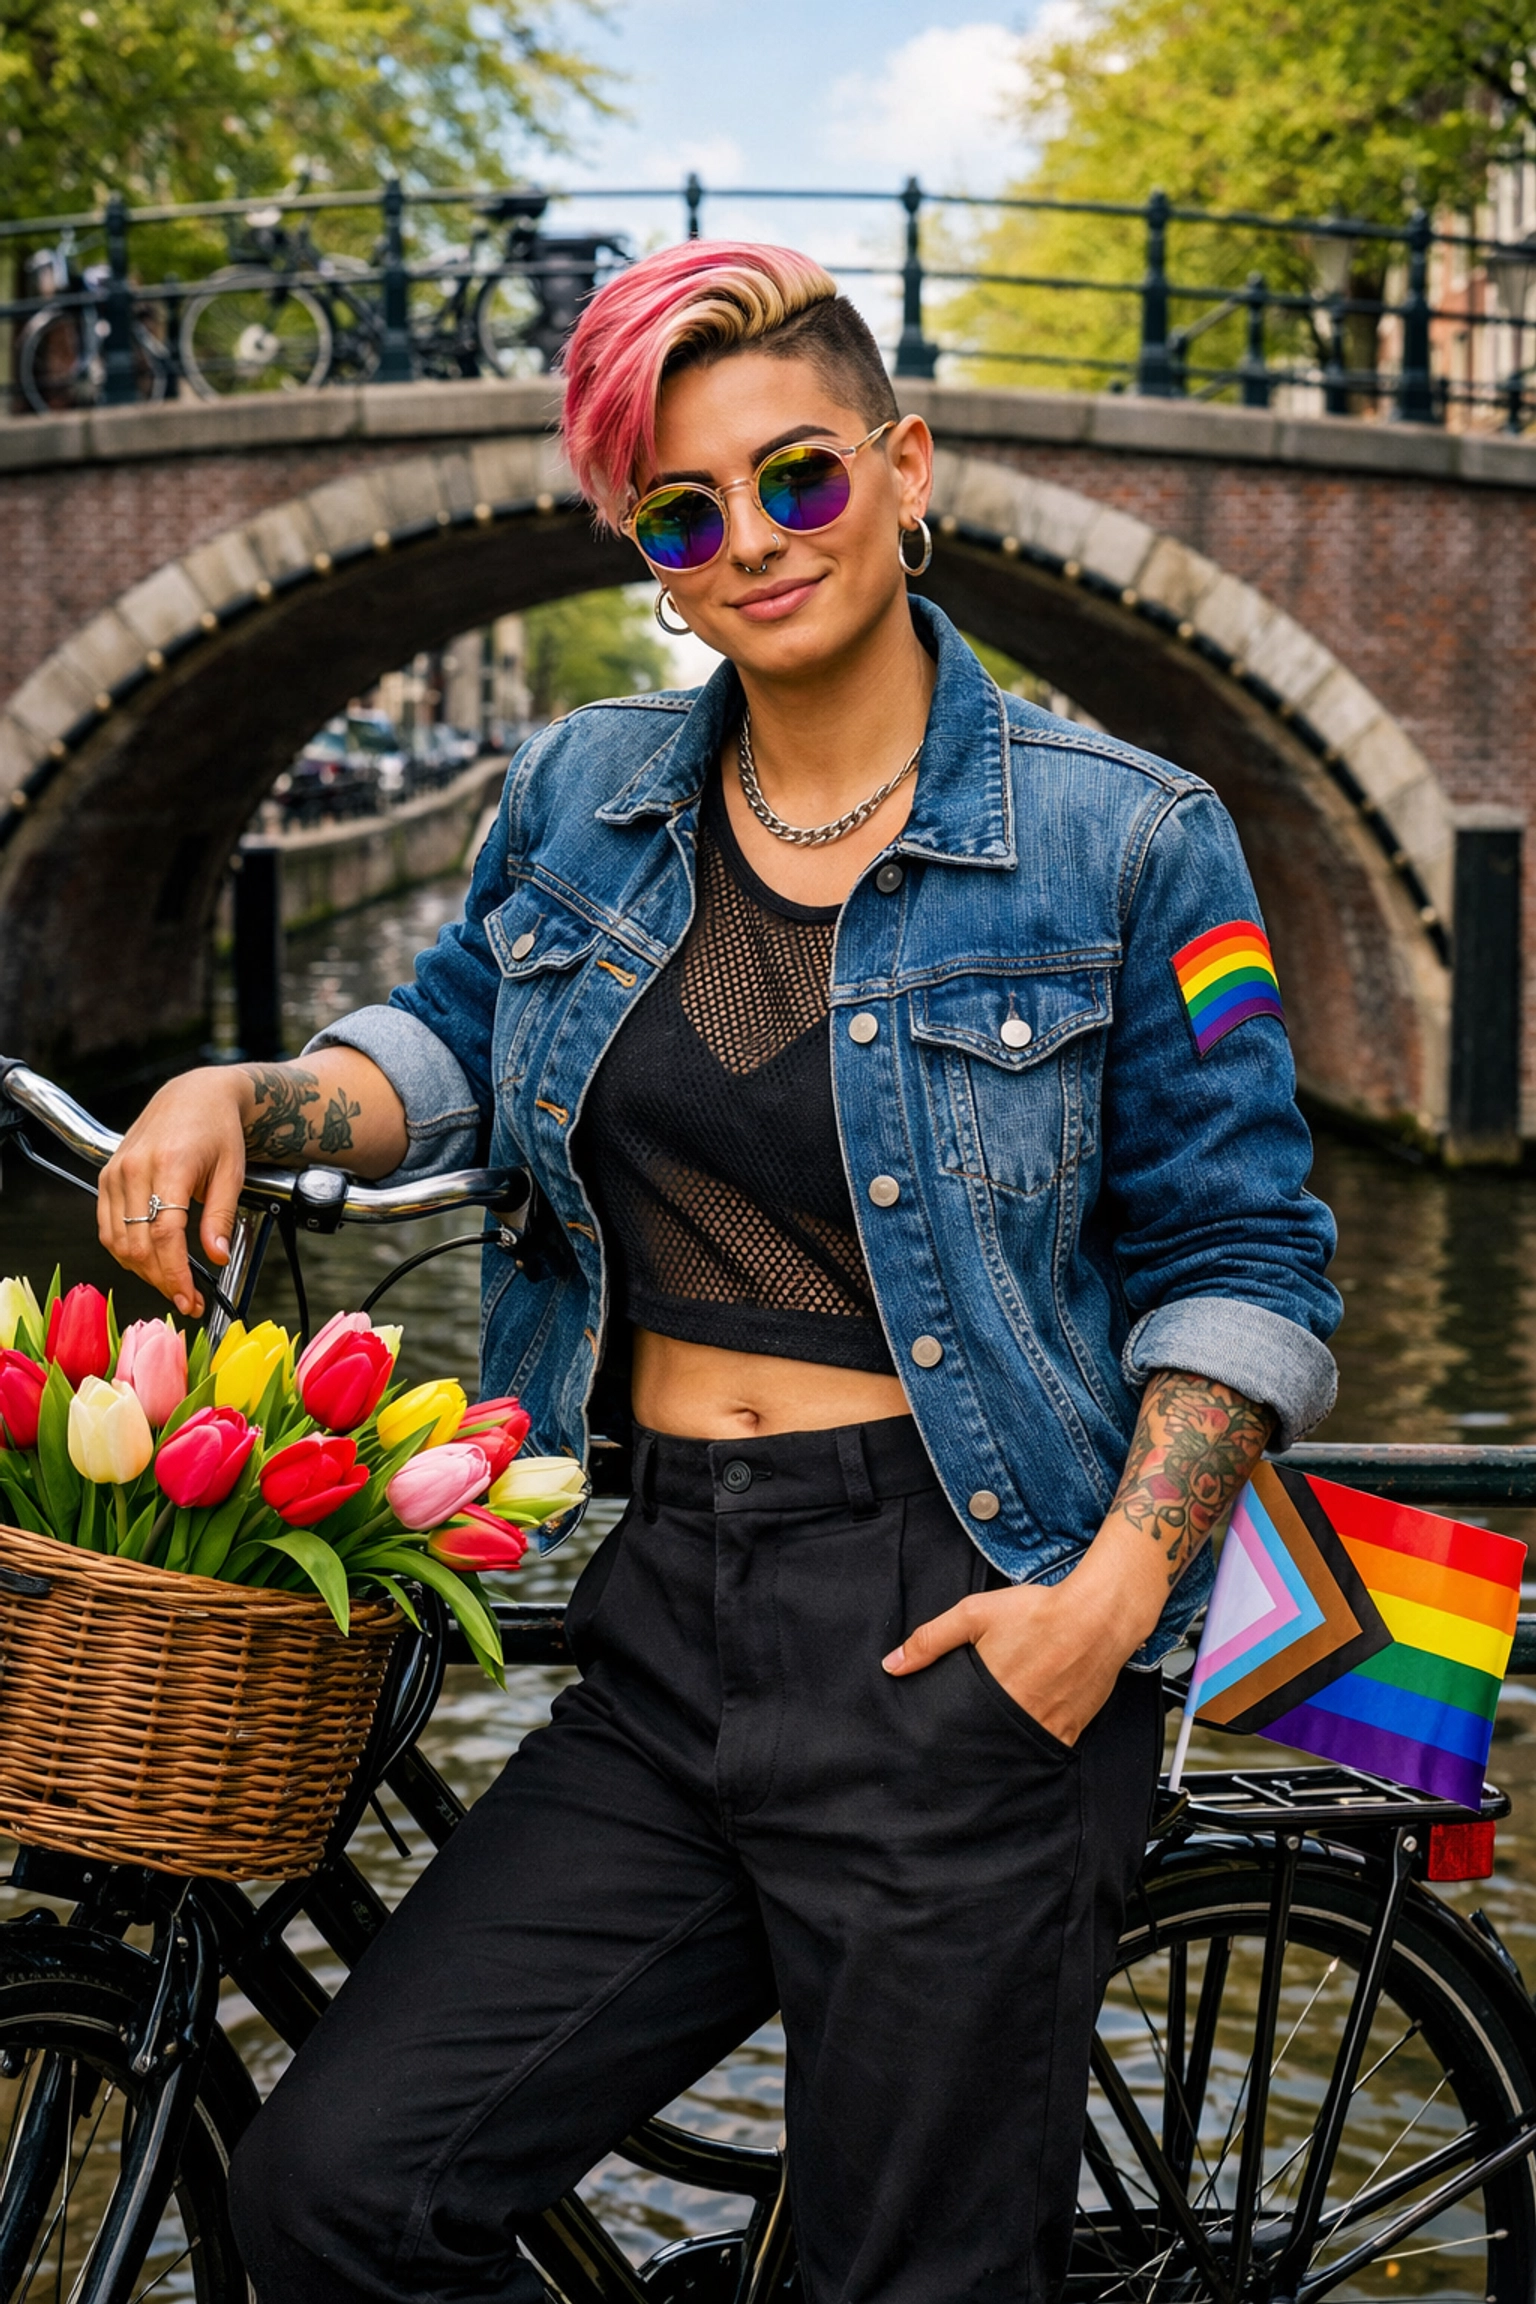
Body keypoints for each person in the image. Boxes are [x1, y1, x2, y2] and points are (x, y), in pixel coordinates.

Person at [99, 240, 1341, 2302]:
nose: (751, 542)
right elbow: (452, 1045)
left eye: (801, 480)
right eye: (686, 512)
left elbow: (1251, 1254)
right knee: (338, 2192)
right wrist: (262, 1090)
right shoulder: (584, 791)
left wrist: (1107, 1604)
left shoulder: (1135, 839)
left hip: (971, 1620)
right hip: (667, 1615)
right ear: (648, 556)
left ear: (906, 465)